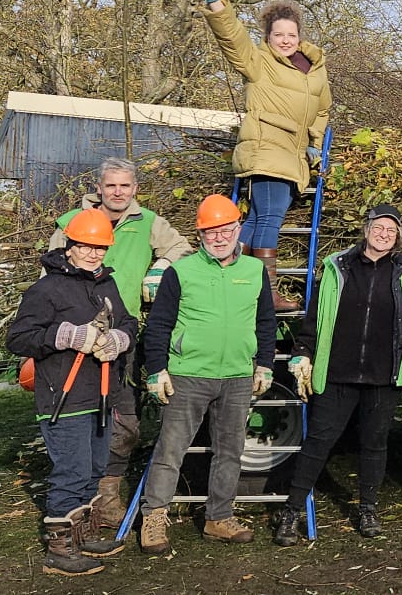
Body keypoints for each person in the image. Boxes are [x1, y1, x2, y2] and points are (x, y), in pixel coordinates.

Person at [47, 157, 191, 528]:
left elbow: (183, 248)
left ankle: (105, 498)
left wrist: (160, 268)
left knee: (123, 421)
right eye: (110, 185)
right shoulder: (70, 224)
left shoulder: (149, 223)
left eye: (124, 186)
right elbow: (49, 276)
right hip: (77, 338)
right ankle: (75, 500)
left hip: (122, 336)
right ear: (99, 188)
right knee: (77, 418)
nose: (117, 192)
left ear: (134, 189)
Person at [275, 204, 402, 545]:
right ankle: (291, 511)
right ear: (366, 228)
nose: (384, 234)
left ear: (398, 235)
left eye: (391, 230)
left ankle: (368, 509)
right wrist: (304, 350)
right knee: (318, 442)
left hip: (383, 374)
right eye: (379, 227)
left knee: (374, 444)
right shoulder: (337, 266)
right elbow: (317, 314)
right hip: (338, 372)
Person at [136, 194, 277, 553]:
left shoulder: (254, 270)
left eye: (226, 229)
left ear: (238, 229)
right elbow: (159, 325)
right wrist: (157, 370)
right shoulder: (180, 272)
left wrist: (264, 363)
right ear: (199, 234)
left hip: (237, 376)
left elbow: (265, 322)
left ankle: (219, 517)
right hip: (188, 374)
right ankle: (153, 518)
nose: (219, 237)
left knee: (229, 451)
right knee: (171, 450)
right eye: (210, 231)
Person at [196, 0, 330, 312]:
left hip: (295, 154)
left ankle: (231, 277)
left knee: (257, 219)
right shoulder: (259, 62)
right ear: (267, 38)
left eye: (291, 35)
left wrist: (315, 144)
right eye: (278, 35)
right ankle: (266, 291)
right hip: (266, 147)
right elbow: (232, 37)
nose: (285, 40)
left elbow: (322, 109)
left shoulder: (316, 69)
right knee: (270, 218)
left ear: (300, 36)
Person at [8, 209, 136, 576]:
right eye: (87, 247)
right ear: (70, 246)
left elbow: (128, 322)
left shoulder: (105, 285)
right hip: (62, 399)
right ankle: (60, 550)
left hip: (101, 396)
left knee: (96, 468)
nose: (94, 254)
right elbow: (18, 339)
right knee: (72, 471)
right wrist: (64, 336)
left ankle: (83, 534)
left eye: (101, 248)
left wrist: (119, 339)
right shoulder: (46, 289)